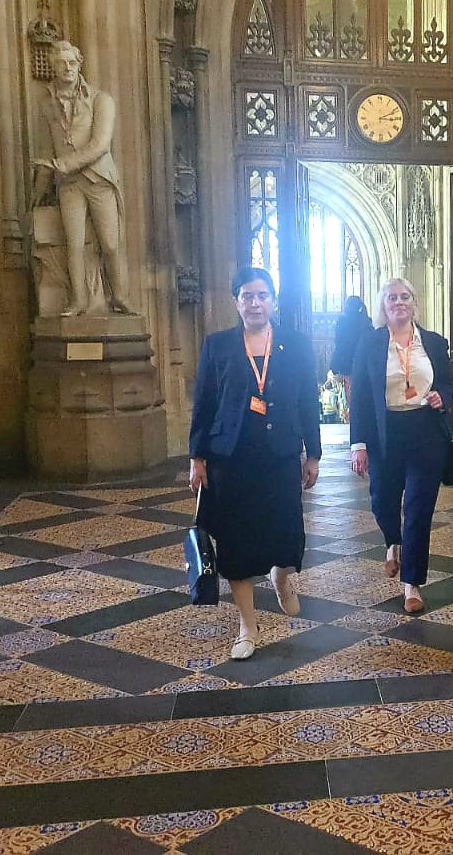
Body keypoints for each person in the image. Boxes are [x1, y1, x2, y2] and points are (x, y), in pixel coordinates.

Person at [188, 268, 322, 661]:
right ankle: (247, 626)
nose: (255, 303)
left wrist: (313, 454)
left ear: (273, 301)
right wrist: (197, 457)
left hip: (280, 456)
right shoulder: (217, 346)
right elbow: (203, 403)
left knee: (286, 535)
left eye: (262, 295)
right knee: (235, 543)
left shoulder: (295, 344)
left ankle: (281, 576)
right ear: (236, 301)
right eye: (247, 296)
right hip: (230, 459)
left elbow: (308, 402)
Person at [349, 279, 453, 614]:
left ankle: (412, 583)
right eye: (392, 298)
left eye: (405, 296)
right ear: (383, 305)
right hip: (385, 433)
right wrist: (358, 444)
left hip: (426, 431)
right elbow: (361, 396)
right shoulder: (369, 343)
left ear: (414, 302)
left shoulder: (434, 342)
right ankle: (392, 542)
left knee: (418, 508)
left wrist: (442, 397)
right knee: (382, 500)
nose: (399, 302)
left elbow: (449, 384)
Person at [31, 41, 135, 317]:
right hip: (69, 184)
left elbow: (100, 144)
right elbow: (46, 149)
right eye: (61, 63)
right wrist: (40, 188)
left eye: (72, 63)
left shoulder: (102, 99)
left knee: (110, 242)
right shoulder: (47, 105)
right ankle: (78, 300)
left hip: (98, 178)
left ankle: (120, 296)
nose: (67, 68)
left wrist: (65, 164)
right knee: (73, 244)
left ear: (80, 65)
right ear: (53, 67)